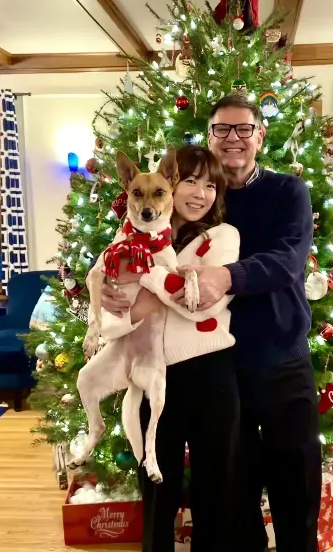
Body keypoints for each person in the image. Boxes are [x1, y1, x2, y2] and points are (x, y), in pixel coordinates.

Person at [104, 96, 320, 552]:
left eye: (244, 129)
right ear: (209, 139)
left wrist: (228, 276)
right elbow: (141, 256)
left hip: (281, 356)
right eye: (222, 130)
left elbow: (288, 260)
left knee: (295, 477)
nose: (233, 139)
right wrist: (113, 291)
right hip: (222, 366)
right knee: (231, 489)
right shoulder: (185, 204)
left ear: (260, 136)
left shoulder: (288, 192)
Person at [104, 145, 241, 552]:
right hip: (155, 375)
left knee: (212, 492)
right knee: (155, 491)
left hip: (210, 373)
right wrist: (117, 302)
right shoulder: (137, 237)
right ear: (172, 183)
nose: (200, 193)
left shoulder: (223, 237)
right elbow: (113, 312)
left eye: (211, 186)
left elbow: (201, 304)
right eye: (191, 181)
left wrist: (139, 293)